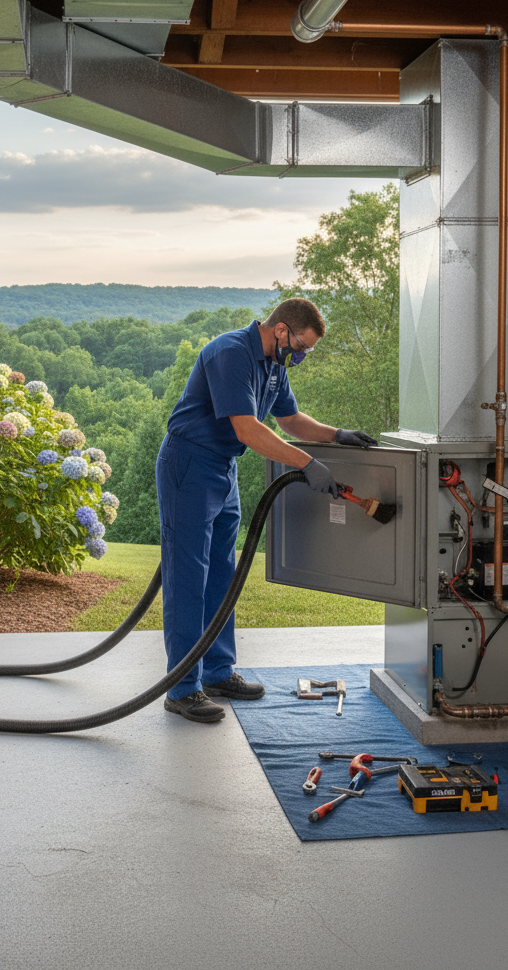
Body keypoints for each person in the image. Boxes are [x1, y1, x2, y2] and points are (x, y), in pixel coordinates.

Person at [155, 298, 377, 723]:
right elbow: (248, 428)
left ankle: (218, 672)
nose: (301, 356)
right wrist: (305, 463)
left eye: (306, 352)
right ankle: (182, 688)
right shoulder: (231, 353)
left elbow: (289, 420)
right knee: (188, 576)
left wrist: (337, 435)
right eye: (300, 348)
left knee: (223, 573)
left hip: (223, 467)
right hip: (190, 465)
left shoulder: (275, 364)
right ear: (280, 330)